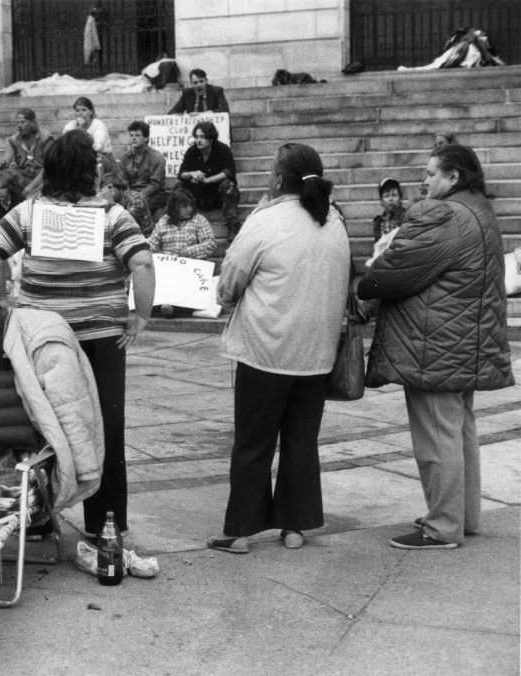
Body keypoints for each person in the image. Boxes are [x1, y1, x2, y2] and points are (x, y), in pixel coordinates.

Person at [0, 129, 156, 538]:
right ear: (90, 173)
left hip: (42, 340)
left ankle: (37, 521)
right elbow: (143, 265)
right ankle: (105, 524)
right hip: (102, 341)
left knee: (41, 425)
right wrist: (141, 316)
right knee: (104, 428)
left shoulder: (28, 213)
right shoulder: (113, 217)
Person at [358, 144, 514, 550]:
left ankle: (442, 526)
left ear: (454, 177)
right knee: (459, 430)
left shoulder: (443, 213)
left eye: (431, 174)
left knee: (436, 437)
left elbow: (395, 273)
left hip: (435, 344)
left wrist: (366, 280)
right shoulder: (480, 211)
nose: (424, 181)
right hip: (466, 341)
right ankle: (464, 517)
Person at [208, 143, 350, 554]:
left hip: (266, 350)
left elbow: (229, 283)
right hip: (317, 353)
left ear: (276, 178)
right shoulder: (333, 219)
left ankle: (240, 531)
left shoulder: (265, 221)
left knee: (253, 442)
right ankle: (294, 526)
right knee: (301, 442)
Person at [147, 190, 216, 318]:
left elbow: (210, 244)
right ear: (175, 207)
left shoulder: (199, 220)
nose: (189, 209)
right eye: (185, 206)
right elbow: (152, 243)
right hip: (168, 268)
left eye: (191, 206)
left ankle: (171, 307)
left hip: (190, 268)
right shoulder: (163, 222)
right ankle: (166, 305)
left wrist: (188, 251)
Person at [178, 120, 242, 241]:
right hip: (199, 196)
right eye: (196, 137)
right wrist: (192, 173)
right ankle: (180, 226)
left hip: (218, 195)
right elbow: (181, 174)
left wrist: (207, 180)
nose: (198, 140)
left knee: (229, 186)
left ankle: (233, 226)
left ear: (211, 138)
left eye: (202, 137)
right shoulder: (192, 151)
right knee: (180, 186)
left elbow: (229, 171)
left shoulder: (222, 149)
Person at [0, 108, 54, 201]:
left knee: (51, 179)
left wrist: (32, 185)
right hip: (23, 177)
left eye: (23, 122)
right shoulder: (14, 140)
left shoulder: (46, 138)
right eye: (18, 123)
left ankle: (30, 199)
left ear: (32, 123)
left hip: (42, 177)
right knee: (0, 172)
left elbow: (49, 167)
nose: (19, 126)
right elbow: (6, 161)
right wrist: (2, 162)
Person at [118, 120, 167, 213]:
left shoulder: (157, 157)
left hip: (153, 194)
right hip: (131, 193)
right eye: (131, 135)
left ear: (146, 138)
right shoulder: (125, 157)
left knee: (137, 207)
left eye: (137, 135)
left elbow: (155, 185)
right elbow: (123, 181)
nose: (133, 138)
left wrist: (139, 196)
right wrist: (129, 195)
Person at [62, 97, 116, 175]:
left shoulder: (98, 125)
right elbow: (64, 145)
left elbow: (97, 147)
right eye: (77, 110)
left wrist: (81, 132)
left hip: (102, 158)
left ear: (91, 112)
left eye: (84, 110)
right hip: (78, 158)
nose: (80, 113)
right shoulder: (70, 126)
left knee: (92, 159)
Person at [99, 173, 154, 237]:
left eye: (110, 187)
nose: (107, 192)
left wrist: (111, 203)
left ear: (119, 186)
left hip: (144, 239)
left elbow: (127, 224)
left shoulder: (135, 198)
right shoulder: (110, 201)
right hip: (127, 238)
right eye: (104, 190)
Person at [372, 177, 406, 242]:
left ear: (401, 198)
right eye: (386, 196)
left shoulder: (407, 216)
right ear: (381, 201)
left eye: (394, 195)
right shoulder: (378, 222)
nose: (390, 199)